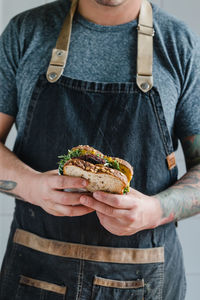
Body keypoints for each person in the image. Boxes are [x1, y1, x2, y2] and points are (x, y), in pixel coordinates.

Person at [0, 0, 200, 299]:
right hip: (36, 271)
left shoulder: (179, 43)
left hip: (143, 279)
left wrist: (153, 211)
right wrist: (31, 186)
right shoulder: (26, 31)